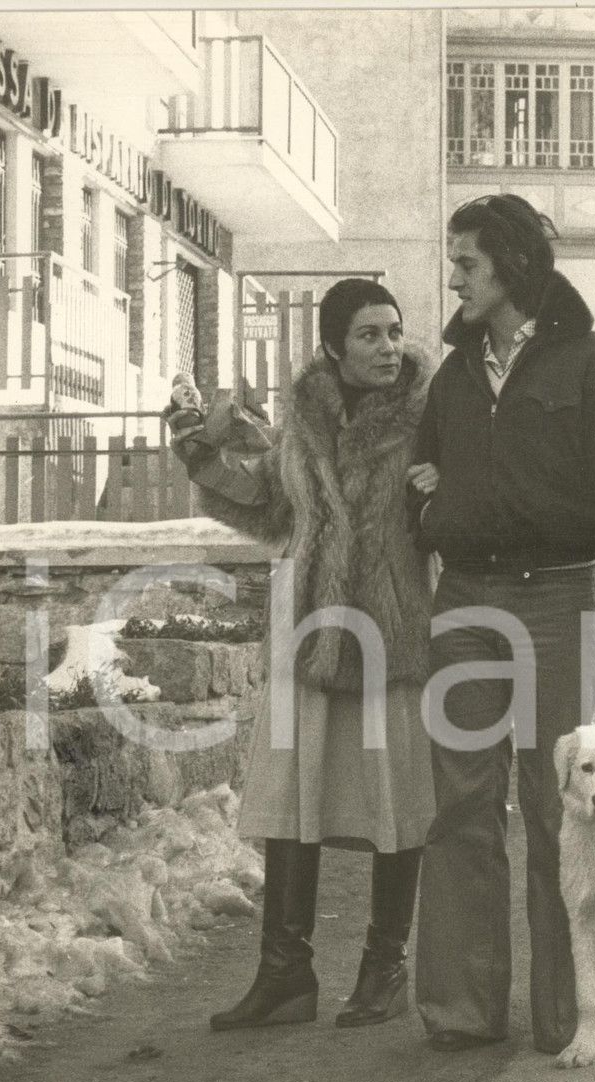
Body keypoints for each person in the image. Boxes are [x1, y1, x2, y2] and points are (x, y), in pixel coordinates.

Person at [407, 194, 595, 1055]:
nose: (454, 277)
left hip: (559, 598)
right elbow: (421, 475)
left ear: (511, 265)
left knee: (562, 806)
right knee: (462, 807)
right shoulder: (453, 375)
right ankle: (463, 1009)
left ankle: (570, 1010)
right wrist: (433, 505)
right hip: (467, 602)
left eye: (467, 262)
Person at [169, 279, 436, 1032]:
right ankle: (285, 974)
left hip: (391, 633)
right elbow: (269, 507)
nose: (388, 347)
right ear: (331, 346)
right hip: (309, 629)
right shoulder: (305, 419)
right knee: (292, 794)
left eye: (393, 331)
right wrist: (201, 451)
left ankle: (385, 964)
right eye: (369, 335)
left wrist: (444, 487)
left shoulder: (429, 417)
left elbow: (463, 504)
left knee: (395, 797)